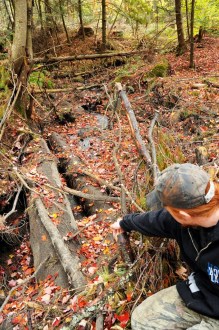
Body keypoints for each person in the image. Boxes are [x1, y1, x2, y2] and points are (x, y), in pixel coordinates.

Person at [111, 163, 219, 330]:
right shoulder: (182, 222)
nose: (168, 214)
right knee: (141, 319)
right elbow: (155, 220)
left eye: (170, 210)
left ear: (183, 214)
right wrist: (125, 223)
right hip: (201, 292)